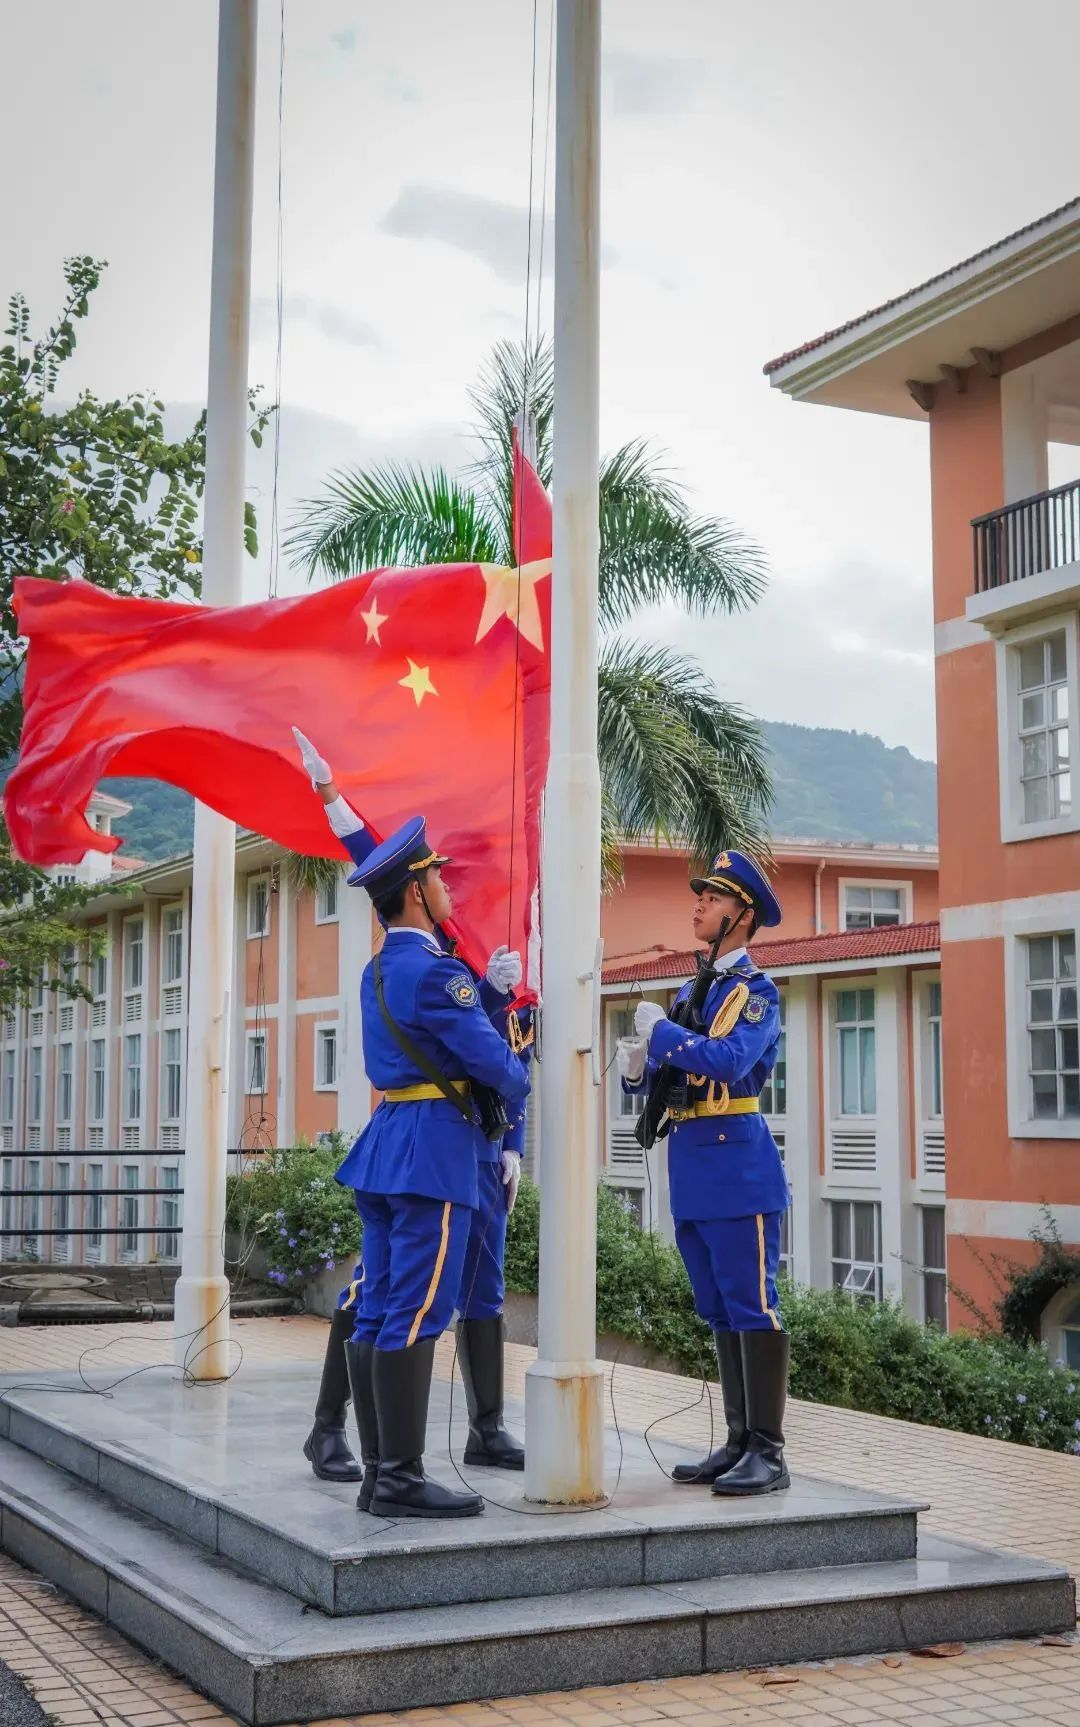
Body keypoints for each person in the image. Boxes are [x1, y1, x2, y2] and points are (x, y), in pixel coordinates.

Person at [291, 730, 530, 1487]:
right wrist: (332, 798)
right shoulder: (433, 960)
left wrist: (511, 1139)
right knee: (399, 1297)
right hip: (435, 1141)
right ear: (421, 890)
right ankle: (362, 1450)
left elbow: (461, 1033)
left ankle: (459, 1439)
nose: (451, 883)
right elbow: (486, 1056)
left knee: (448, 1289)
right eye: (438, 876)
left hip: (455, 1139)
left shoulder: (411, 959)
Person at [617, 850, 790, 1497]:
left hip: (738, 1168)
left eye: (713, 898)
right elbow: (675, 1081)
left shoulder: (756, 993)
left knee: (752, 1305)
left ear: (742, 916)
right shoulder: (696, 991)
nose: (699, 905)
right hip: (693, 1168)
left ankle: (769, 1450)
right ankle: (739, 1441)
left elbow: (728, 1061)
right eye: (702, 895)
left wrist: (663, 1035)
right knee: (718, 1309)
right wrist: (640, 1069)